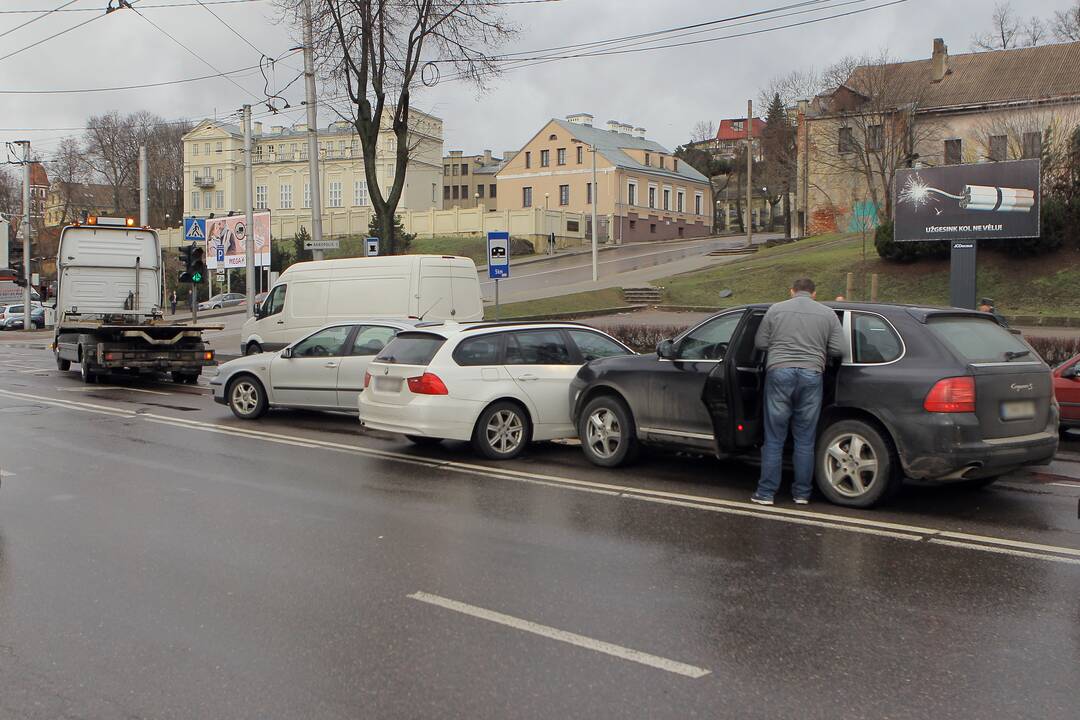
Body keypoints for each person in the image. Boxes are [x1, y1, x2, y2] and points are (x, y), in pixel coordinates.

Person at [752, 278, 844, 506]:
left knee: (774, 438)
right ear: (814, 293)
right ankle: (802, 494)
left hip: (779, 373)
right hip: (812, 375)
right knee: (805, 439)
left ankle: (766, 493)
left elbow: (761, 342)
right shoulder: (828, 314)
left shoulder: (775, 310)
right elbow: (839, 349)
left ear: (792, 291)